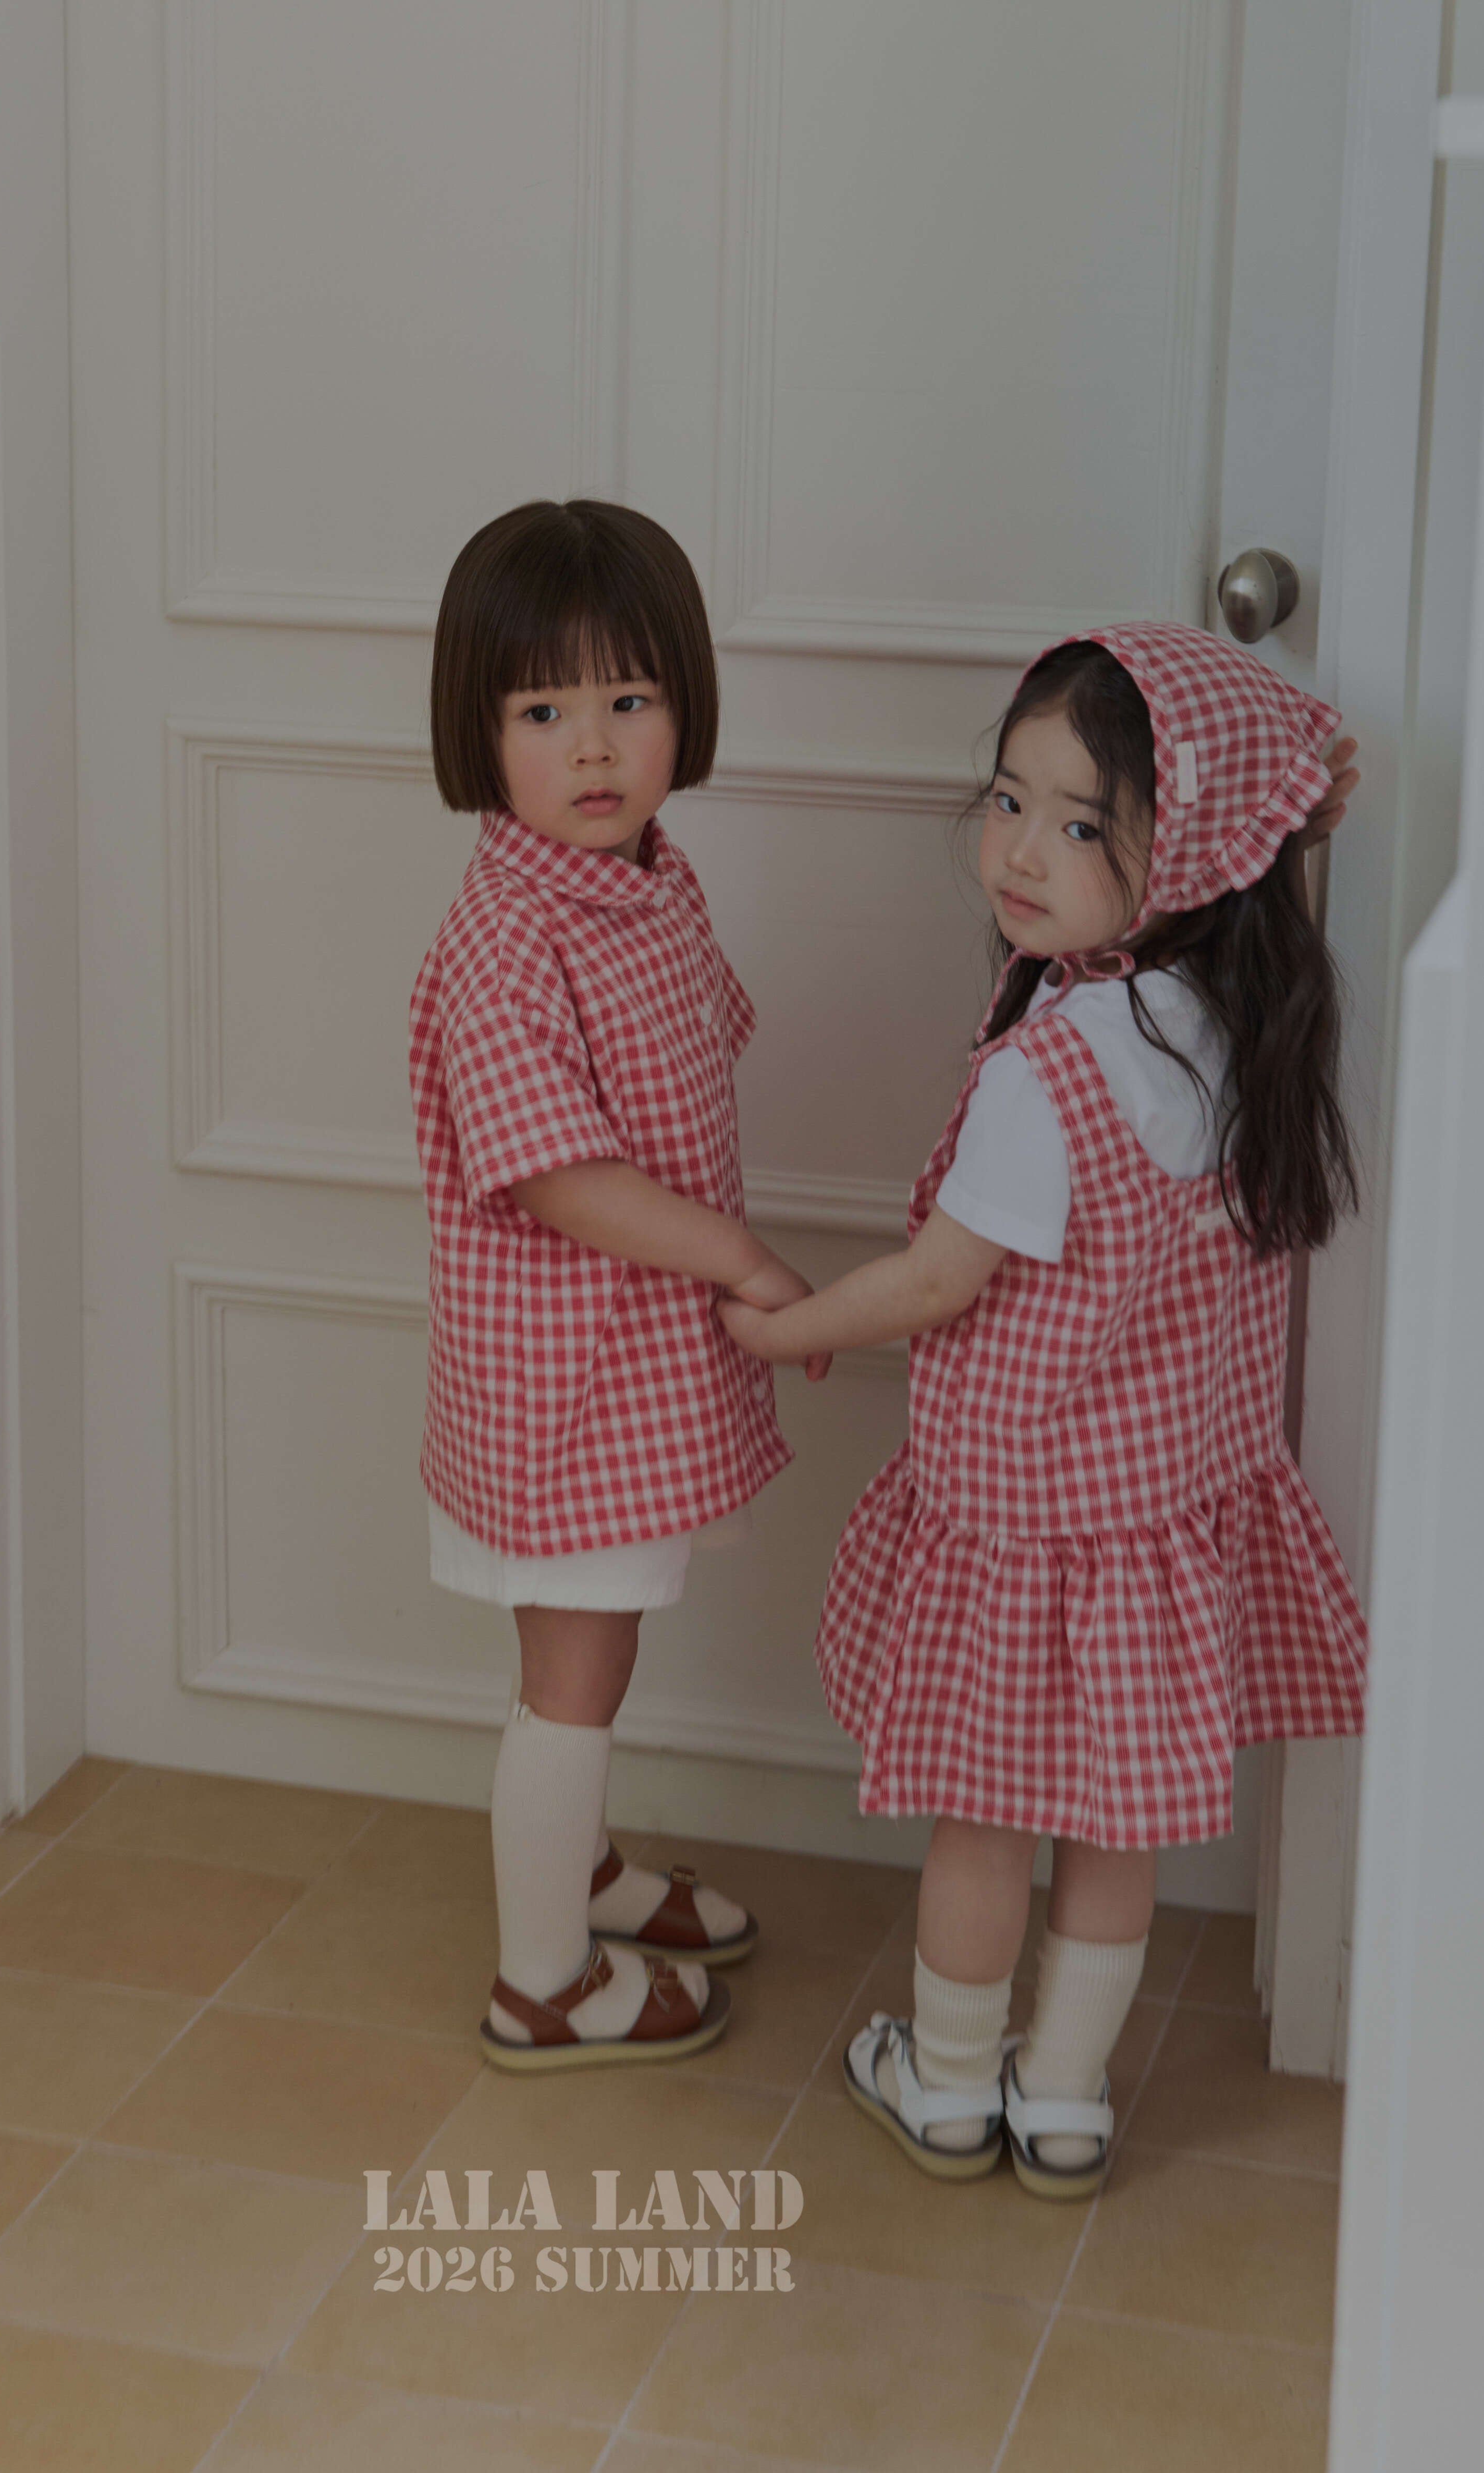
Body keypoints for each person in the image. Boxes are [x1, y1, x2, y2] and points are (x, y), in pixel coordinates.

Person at [721, 625, 1369, 2196]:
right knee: (1112, 1829)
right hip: (1157, 1529)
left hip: (1024, 1532)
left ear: (1192, 853)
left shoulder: (1054, 1069)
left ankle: (950, 2088)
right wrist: (1295, 815)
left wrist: (790, 1325)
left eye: (1082, 826)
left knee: (984, 1824)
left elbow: (939, 1281)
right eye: (1009, 801)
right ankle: (1065, 2100)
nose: (1018, 852)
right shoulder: (1238, 1032)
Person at [412, 497, 828, 2071]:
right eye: (542, 712)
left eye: (628, 699)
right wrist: (740, 1256)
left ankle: (575, 1871)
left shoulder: (646, 878)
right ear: (478, 730)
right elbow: (555, 1175)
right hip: (565, 1387)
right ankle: (543, 1981)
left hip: (628, 1369)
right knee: (571, 1676)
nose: (592, 747)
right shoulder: (509, 936)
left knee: (603, 1649)